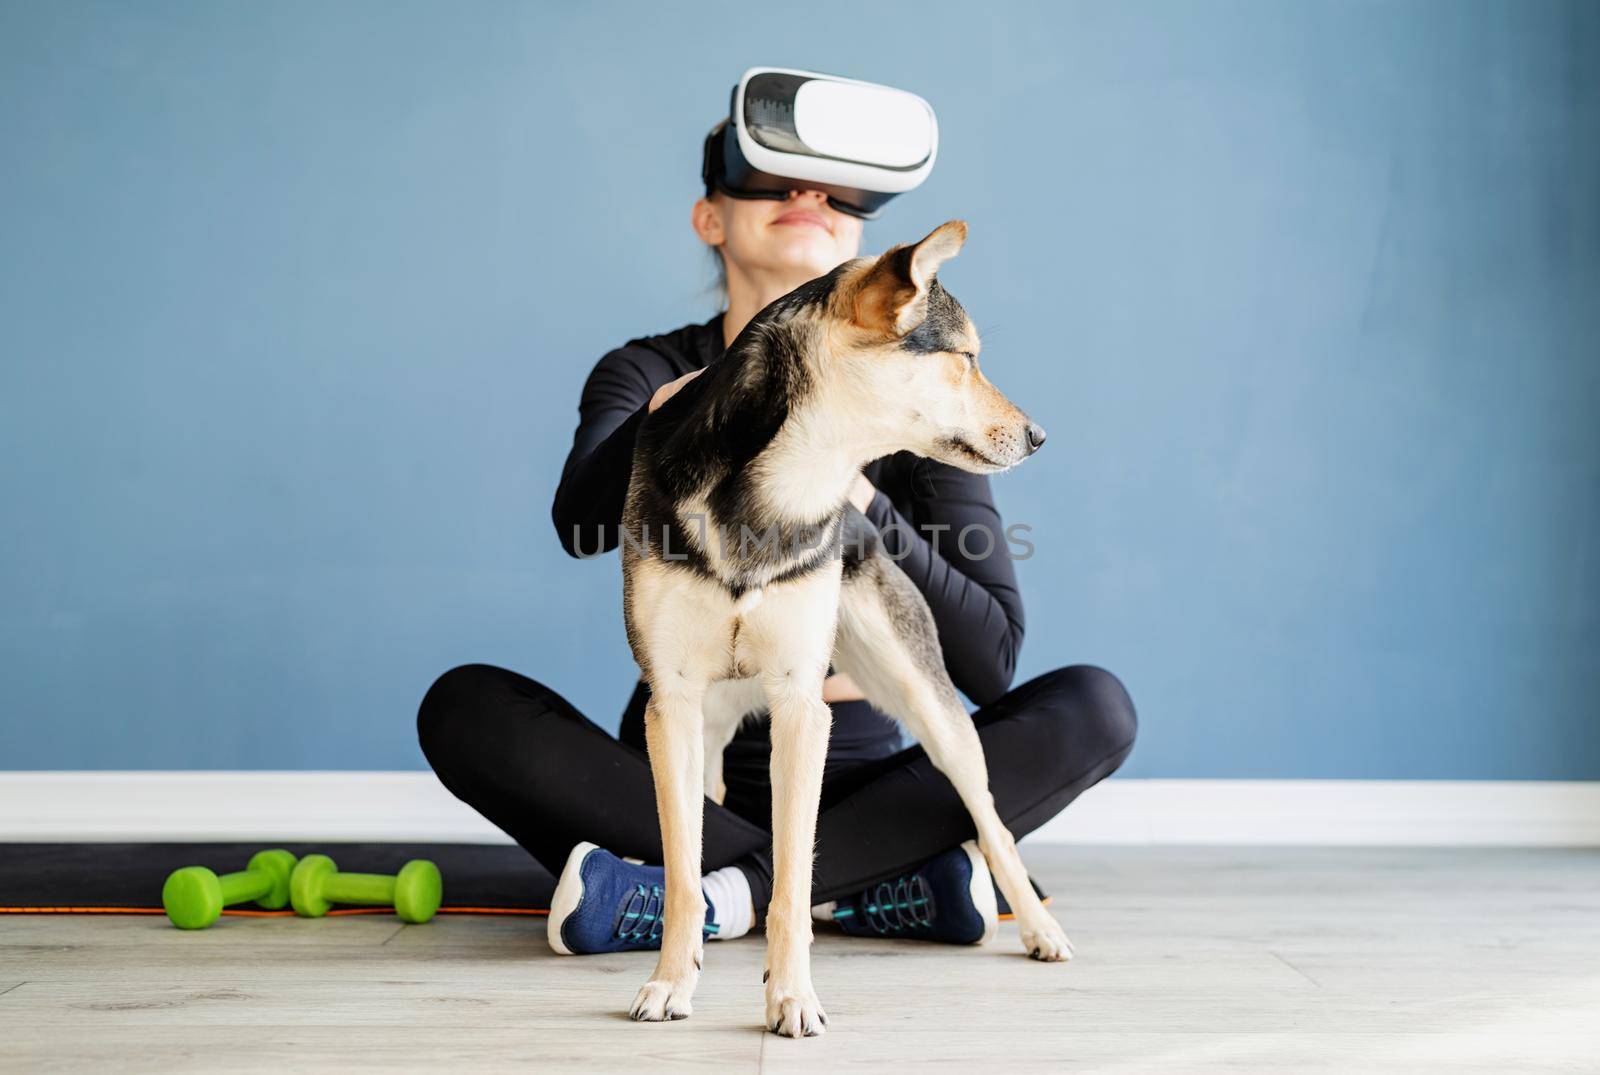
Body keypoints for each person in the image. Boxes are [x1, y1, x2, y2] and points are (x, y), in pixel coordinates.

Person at [416, 119, 1137, 956]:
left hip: (863, 778)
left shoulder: (919, 401)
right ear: (710, 219)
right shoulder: (646, 368)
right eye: (769, 179)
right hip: (680, 774)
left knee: (1096, 705)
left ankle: (715, 898)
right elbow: (578, 524)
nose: (807, 197)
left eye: (838, 190)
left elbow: (990, 660)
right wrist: (688, 416)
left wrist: (843, 476)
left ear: (876, 264)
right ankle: (868, 888)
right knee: (464, 705)